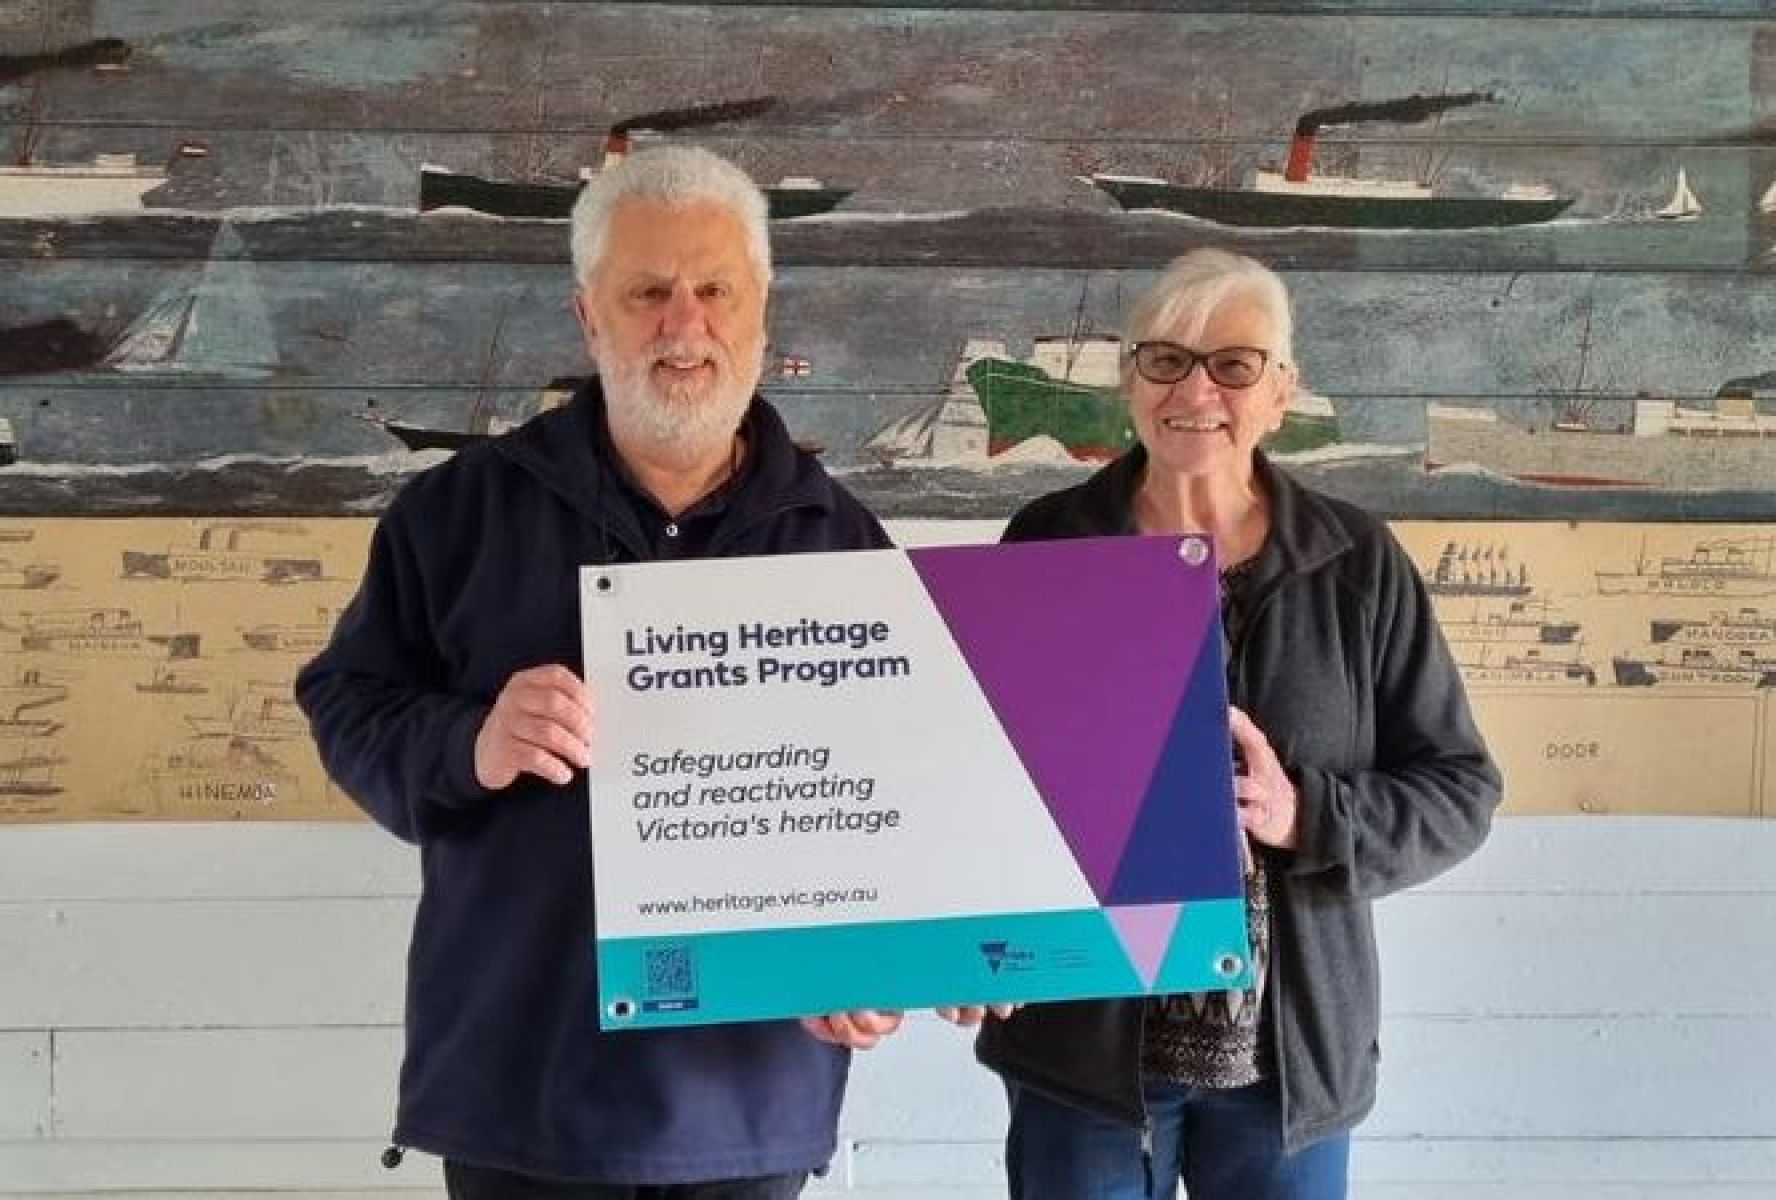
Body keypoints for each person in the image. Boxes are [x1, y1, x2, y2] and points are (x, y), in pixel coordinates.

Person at [296, 145, 904, 1200]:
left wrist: (875, 965)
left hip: (747, 1096)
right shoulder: (456, 514)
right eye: (647, 293)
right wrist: (470, 742)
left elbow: (900, 805)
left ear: (761, 310)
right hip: (517, 1089)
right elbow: (347, 704)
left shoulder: (843, 543)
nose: (685, 324)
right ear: (590, 318)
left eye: (714, 290)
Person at [973, 248, 1503, 1200]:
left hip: (1287, 1070)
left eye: (1234, 364)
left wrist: (1306, 817)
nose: (1196, 390)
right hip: (1084, 1050)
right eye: (1166, 359)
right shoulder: (1049, 541)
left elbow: (1461, 789)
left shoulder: (1357, 562)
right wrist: (976, 934)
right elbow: (985, 778)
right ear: (1132, 380)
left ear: (1280, 391)